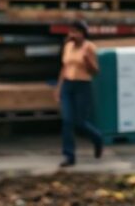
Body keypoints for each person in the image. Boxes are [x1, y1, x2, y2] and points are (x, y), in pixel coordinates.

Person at [54, 21, 104, 166]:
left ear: (83, 34)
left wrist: (88, 61)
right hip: (68, 85)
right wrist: (59, 87)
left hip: (83, 85)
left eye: (76, 32)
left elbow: (95, 71)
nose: (73, 35)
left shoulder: (90, 47)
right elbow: (64, 68)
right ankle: (69, 155)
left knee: (80, 122)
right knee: (67, 120)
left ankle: (97, 137)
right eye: (71, 32)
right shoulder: (68, 46)